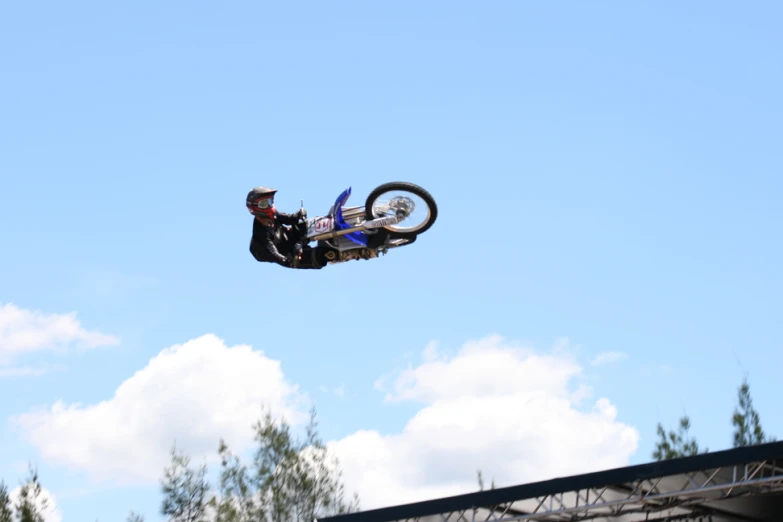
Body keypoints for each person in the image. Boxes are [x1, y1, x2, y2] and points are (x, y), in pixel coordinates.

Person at [246, 186, 326, 269]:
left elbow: (289, 218)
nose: (270, 206)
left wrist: (298, 215)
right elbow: (276, 255)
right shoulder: (261, 234)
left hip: (288, 238)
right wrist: (290, 259)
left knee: (310, 225)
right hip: (285, 253)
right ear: (254, 208)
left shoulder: (273, 215)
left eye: (270, 201)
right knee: (318, 257)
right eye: (264, 204)